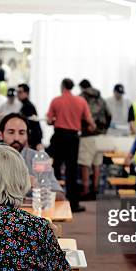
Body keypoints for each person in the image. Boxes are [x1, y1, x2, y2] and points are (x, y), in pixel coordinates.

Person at [47, 78, 96, 213]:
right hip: (73, 138)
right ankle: (73, 204)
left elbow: (49, 120)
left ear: (62, 86)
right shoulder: (81, 101)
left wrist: (57, 119)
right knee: (72, 171)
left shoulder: (56, 101)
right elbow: (90, 121)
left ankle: (54, 201)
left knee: (56, 168)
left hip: (59, 136)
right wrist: (92, 126)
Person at [0, 113, 64, 199]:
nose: (16, 138)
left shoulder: (39, 159)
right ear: (0, 135)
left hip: (32, 211)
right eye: (11, 132)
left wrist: (37, 187)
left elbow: (59, 195)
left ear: (27, 135)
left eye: (21, 133)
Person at [78, 79, 111, 198]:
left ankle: (86, 190)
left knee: (85, 164)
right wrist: (104, 129)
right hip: (100, 136)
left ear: (81, 87)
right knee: (97, 163)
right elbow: (109, 114)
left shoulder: (81, 97)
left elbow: (79, 114)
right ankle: (95, 189)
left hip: (87, 135)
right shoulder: (101, 99)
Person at [16, 84, 43, 149]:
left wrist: (36, 141)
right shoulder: (24, 106)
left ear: (27, 93)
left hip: (31, 141)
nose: (17, 94)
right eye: (17, 92)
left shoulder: (28, 106)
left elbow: (33, 125)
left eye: (20, 92)